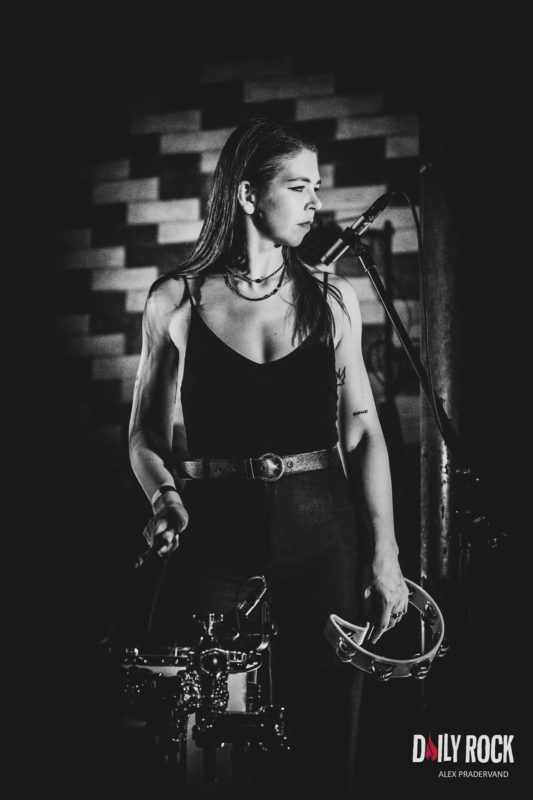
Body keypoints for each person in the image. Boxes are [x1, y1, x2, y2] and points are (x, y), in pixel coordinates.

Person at [128, 117, 409, 798]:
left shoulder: (333, 299)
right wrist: (164, 499)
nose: (316, 201)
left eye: (318, 186)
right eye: (299, 186)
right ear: (249, 195)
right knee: (192, 725)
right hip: (212, 533)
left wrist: (386, 555)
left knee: (326, 724)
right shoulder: (176, 300)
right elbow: (144, 437)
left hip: (322, 530)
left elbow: (363, 434)